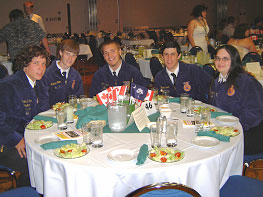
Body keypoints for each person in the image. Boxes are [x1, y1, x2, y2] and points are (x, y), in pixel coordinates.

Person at [0, 46, 49, 187]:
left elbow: (41, 111)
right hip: (6, 142)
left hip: (28, 136)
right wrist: (16, 140)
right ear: (25, 65)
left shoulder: (38, 84)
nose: (41, 68)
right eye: (36, 63)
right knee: (39, 161)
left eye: (44, 63)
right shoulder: (8, 85)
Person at [209, 45, 263, 155]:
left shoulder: (245, 81)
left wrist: (231, 128)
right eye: (218, 58)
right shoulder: (217, 80)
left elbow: (254, 114)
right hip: (225, 129)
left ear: (234, 61)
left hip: (248, 134)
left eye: (225, 59)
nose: (220, 62)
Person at [39, 39, 84, 110]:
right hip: (52, 114)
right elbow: (43, 102)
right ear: (60, 52)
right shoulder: (47, 74)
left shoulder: (76, 76)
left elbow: (79, 99)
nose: (70, 58)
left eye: (74, 55)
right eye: (67, 54)